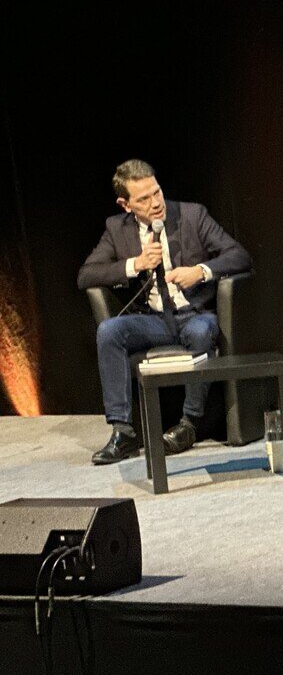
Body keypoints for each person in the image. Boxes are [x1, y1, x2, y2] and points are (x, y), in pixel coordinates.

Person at [78, 159, 252, 465]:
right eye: (143, 199)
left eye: (156, 192)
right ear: (126, 204)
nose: (155, 203)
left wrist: (200, 271)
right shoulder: (116, 230)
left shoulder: (192, 215)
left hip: (194, 314)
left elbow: (239, 255)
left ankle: (188, 424)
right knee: (109, 331)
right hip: (154, 320)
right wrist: (136, 264)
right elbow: (86, 275)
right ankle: (123, 431)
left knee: (200, 332)